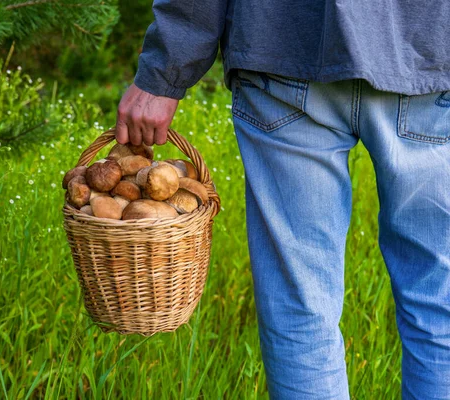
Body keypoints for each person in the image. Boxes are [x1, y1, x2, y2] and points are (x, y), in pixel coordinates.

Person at [115, 1, 450, 399]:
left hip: (285, 46)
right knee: (437, 296)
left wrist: (164, 71)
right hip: (427, 53)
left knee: (299, 305)